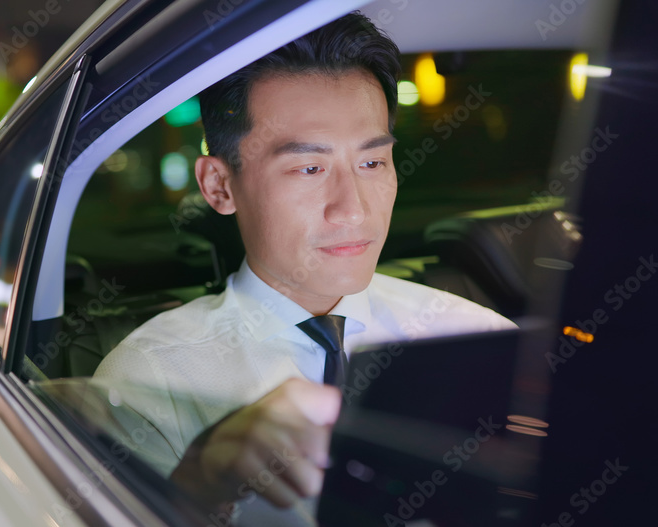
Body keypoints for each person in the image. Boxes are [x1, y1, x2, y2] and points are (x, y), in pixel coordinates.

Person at [93, 11, 515, 520]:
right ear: (218, 186)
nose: (354, 209)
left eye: (372, 162)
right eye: (309, 168)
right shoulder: (148, 383)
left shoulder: (475, 336)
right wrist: (200, 482)